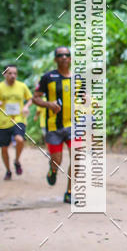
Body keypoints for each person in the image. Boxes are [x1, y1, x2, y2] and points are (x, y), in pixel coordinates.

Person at [32, 46, 74, 204]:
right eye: (60, 55)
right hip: (54, 127)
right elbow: (35, 98)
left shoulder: (78, 78)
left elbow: (84, 97)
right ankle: (53, 170)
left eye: (67, 55)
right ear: (56, 59)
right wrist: (49, 104)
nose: (64, 57)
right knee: (57, 160)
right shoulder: (47, 77)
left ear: (70, 59)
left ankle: (69, 192)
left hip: (74, 125)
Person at [0, 64, 32, 180]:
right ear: (4, 74)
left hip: (18, 119)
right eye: (10, 73)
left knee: (19, 139)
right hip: (3, 121)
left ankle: (17, 161)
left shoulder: (22, 86)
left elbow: (30, 99)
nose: (13, 76)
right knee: (4, 149)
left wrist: (26, 107)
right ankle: (8, 171)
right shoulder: (0, 87)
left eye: (15, 73)